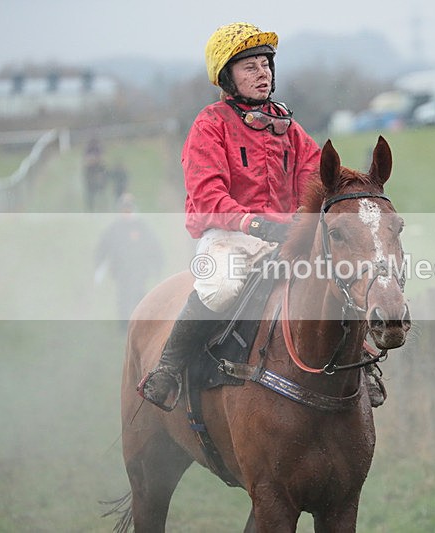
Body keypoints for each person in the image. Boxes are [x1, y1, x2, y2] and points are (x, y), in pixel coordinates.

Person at [137, 22, 321, 411]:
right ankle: (168, 370)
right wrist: (252, 222)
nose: (262, 74)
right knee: (220, 289)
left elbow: (315, 179)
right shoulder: (210, 124)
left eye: (265, 65)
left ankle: (362, 368)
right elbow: (207, 195)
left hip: (284, 235)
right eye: (249, 67)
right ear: (228, 78)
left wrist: (311, 215)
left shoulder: (289, 128)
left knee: (335, 278)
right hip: (228, 235)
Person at [94, 194, 163, 331]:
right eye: (124, 209)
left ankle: (141, 323)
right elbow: (103, 246)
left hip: (139, 269)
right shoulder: (114, 228)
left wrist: (157, 264)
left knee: (139, 294)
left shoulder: (141, 227)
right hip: (121, 270)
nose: (126, 211)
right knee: (123, 297)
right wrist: (99, 264)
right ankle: (123, 325)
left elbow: (153, 245)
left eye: (129, 208)